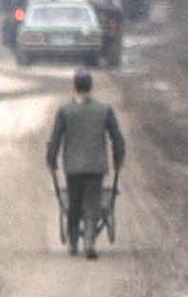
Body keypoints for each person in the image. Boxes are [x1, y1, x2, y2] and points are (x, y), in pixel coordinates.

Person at [45, 66, 127, 260]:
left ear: (75, 86)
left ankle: (73, 242)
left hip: (73, 167)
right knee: (92, 203)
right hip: (96, 166)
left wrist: (51, 160)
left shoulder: (65, 111)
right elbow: (117, 138)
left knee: (74, 203)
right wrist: (118, 158)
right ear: (91, 87)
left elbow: (55, 139)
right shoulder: (104, 110)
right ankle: (89, 241)